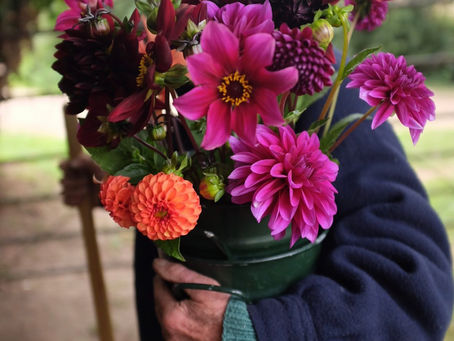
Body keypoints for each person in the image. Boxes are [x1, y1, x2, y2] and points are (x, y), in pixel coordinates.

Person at [61, 68, 454, 341]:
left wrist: (254, 330)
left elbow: (416, 284)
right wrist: (122, 185)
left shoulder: (325, 94)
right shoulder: (199, 79)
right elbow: (201, 184)